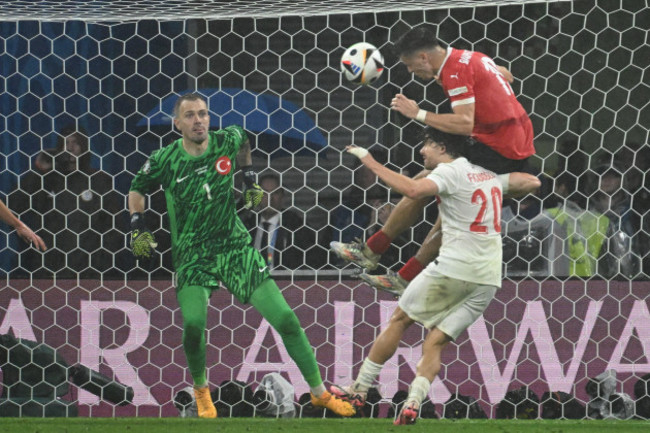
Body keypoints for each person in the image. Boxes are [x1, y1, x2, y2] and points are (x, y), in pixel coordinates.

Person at [128, 93, 355, 419]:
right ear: (177, 123)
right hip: (193, 253)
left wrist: (248, 176)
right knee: (193, 325)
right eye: (190, 115)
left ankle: (319, 393)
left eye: (203, 114)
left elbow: (244, 140)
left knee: (287, 320)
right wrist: (138, 227)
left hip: (235, 248)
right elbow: (136, 190)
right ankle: (202, 391)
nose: (198, 121)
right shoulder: (164, 159)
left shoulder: (226, 139)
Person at [330, 126, 540, 425]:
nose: (422, 151)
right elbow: (528, 181)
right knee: (435, 342)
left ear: (443, 148)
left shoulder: (450, 172)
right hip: (488, 279)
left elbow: (413, 191)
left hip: (455, 267)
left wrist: (370, 162)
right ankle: (414, 401)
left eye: (427, 145)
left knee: (401, 320)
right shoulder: (485, 176)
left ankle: (359, 389)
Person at [331, 24, 537, 295]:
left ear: (424, 57)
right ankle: (402, 275)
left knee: (425, 182)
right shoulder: (473, 57)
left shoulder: (455, 71)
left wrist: (417, 113)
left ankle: (372, 251)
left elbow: (464, 123)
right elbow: (506, 76)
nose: (409, 72)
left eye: (409, 64)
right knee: (449, 208)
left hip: (498, 146)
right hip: (515, 139)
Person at [14, 127, 120, 278]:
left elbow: (114, 226)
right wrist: (38, 171)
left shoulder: (99, 180)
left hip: (89, 271)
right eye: (65, 142)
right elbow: (15, 206)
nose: (69, 148)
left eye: (75, 143)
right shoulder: (46, 179)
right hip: (48, 269)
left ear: (84, 146)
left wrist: (100, 264)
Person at [239, 172, 318, 270]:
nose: (270, 198)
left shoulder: (296, 226)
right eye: (265, 193)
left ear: (282, 196)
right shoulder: (248, 226)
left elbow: (311, 260)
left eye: (275, 193)